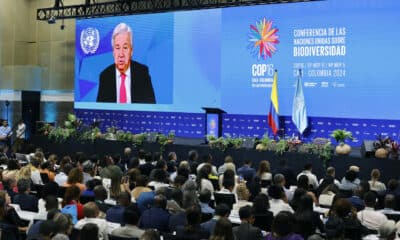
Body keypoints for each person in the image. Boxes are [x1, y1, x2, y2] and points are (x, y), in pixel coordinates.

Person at [97, 22, 155, 103]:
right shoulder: (105, 76)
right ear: (113, 52)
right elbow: (99, 110)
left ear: (131, 51)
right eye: (117, 48)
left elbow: (151, 106)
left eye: (125, 47)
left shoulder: (142, 73)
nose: (121, 54)